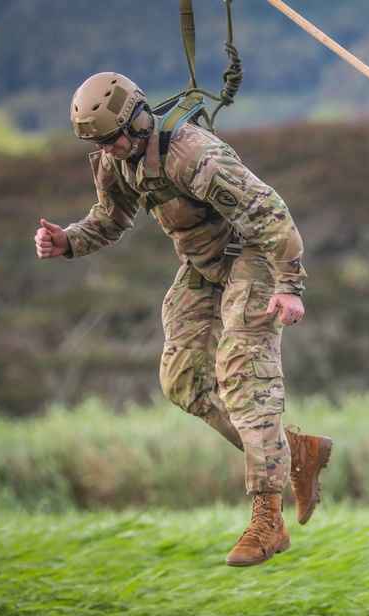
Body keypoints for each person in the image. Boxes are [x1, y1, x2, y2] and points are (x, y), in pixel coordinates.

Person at [35, 72, 332, 567]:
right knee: (182, 381)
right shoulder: (117, 160)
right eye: (99, 144)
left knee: (242, 373)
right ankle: (293, 450)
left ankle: (268, 518)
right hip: (204, 265)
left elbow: (269, 211)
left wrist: (289, 286)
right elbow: (110, 218)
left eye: (113, 139)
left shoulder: (193, 155)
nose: (108, 150)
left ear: (137, 118)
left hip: (256, 256)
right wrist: (68, 241)